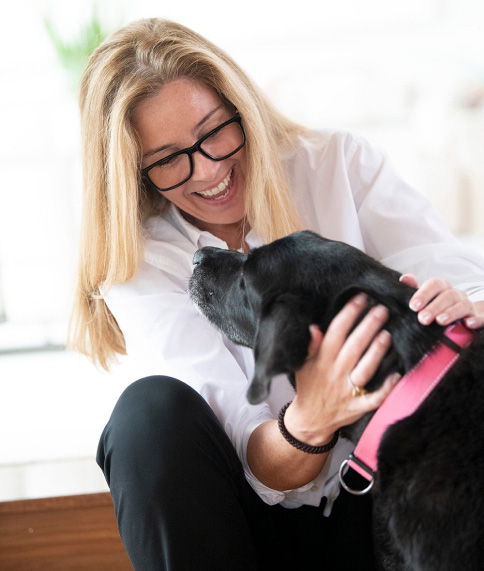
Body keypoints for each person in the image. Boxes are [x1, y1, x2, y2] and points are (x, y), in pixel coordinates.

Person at [70, 18, 484, 571]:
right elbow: (252, 453)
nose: (212, 168)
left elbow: (461, 280)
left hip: (403, 500)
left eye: (216, 129)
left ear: (242, 105)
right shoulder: (140, 261)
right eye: (169, 159)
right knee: (146, 415)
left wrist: (467, 309)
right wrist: (311, 418)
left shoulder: (337, 163)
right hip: (258, 531)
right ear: (137, 173)